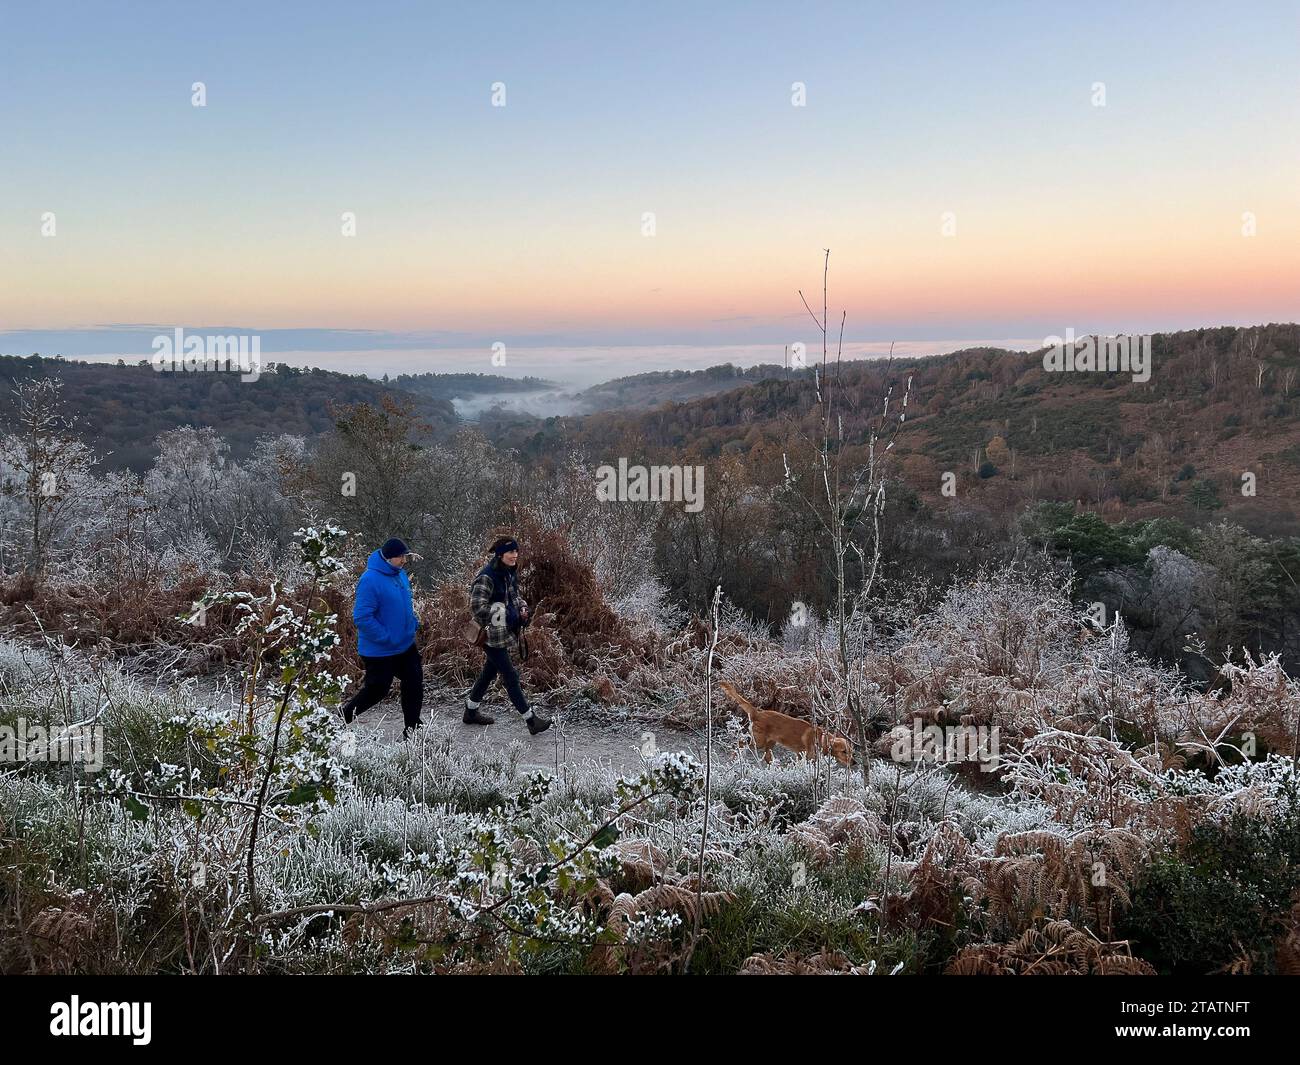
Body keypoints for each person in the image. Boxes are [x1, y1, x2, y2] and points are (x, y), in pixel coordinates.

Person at [465, 535, 551, 734]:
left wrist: (522, 609)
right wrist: (506, 613)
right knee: (510, 676)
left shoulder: (509, 572)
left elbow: (515, 597)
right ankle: (531, 720)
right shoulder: (487, 576)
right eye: (511, 552)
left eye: (516, 551)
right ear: (500, 554)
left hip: (504, 633)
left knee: (489, 672)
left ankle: (470, 711)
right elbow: (477, 607)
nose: (515, 555)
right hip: (491, 636)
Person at [340, 537, 424, 738]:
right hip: (379, 650)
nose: (404, 560)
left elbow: (404, 604)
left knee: (414, 682)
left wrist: (412, 622)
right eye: (400, 557)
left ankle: (412, 730)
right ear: (388, 558)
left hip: (405, 645)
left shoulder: (400, 574)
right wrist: (387, 637)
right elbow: (362, 617)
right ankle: (341, 718)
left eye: (405, 556)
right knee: (377, 690)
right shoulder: (369, 580)